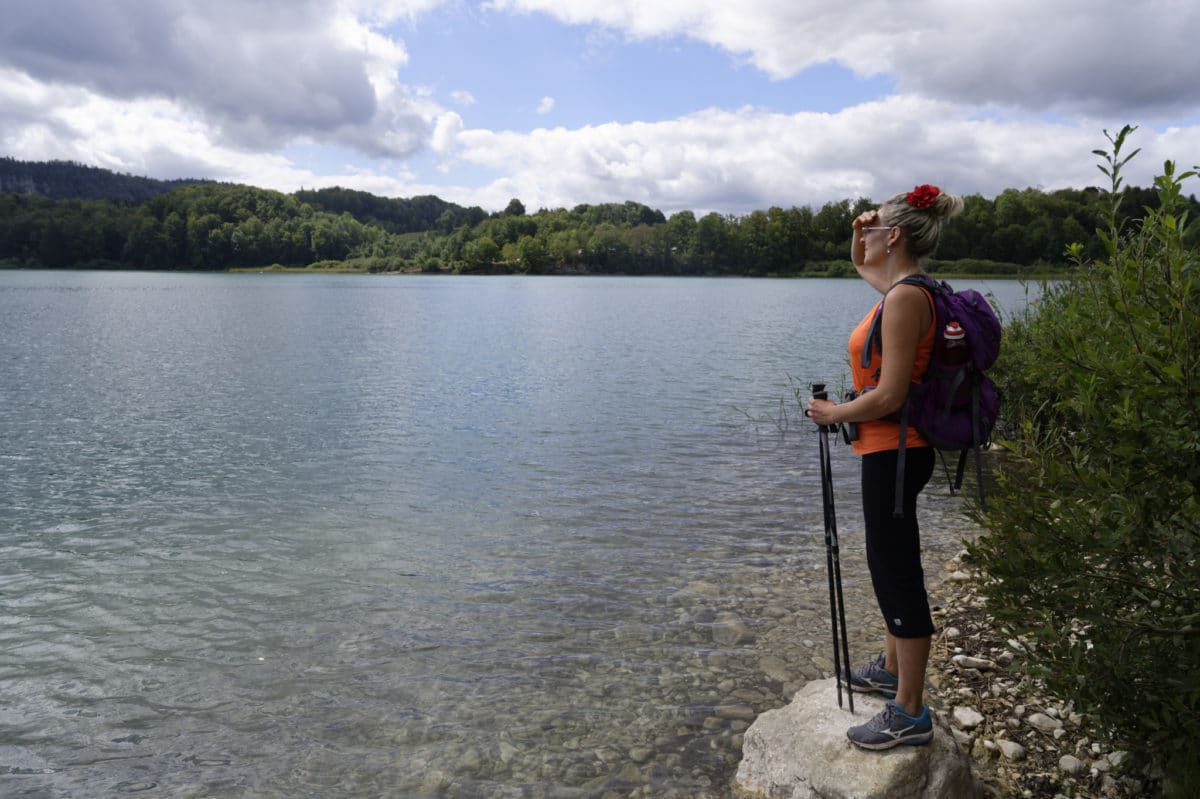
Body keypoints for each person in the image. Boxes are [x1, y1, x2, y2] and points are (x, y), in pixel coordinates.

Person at [806, 183, 964, 750]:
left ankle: (910, 712)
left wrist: (833, 413)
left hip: (895, 450)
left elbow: (890, 394)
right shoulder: (904, 289)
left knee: (895, 569)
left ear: (893, 235)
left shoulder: (904, 300)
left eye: (873, 232)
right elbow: (860, 267)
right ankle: (895, 670)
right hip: (894, 450)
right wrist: (857, 235)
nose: (866, 239)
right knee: (889, 558)